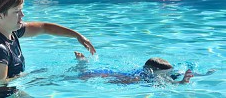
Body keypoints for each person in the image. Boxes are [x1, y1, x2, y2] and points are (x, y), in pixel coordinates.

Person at [0, 0, 96, 86]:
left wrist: (77, 36)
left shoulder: (11, 30)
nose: (22, 15)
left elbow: (44, 27)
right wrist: (33, 77)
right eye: (16, 11)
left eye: (21, 10)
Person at [73, 52, 215, 85]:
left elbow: (187, 73)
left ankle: (83, 63)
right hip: (126, 76)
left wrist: (206, 74)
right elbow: (171, 85)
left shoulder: (168, 72)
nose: (168, 75)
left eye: (169, 72)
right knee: (86, 75)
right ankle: (83, 63)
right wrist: (183, 82)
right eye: (165, 73)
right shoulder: (142, 76)